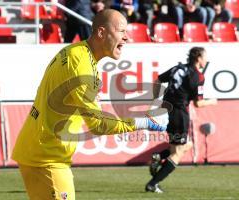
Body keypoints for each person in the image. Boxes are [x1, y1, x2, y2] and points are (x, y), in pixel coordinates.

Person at [12, 9, 168, 200]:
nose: (127, 37)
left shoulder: (76, 52)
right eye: (121, 31)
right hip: (46, 158)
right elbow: (99, 125)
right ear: (101, 33)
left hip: (39, 151)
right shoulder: (81, 66)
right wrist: (144, 121)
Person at [145, 47, 217, 193]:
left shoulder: (177, 68)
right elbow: (198, 103)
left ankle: (158, 157)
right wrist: (213, 101)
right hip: (179, 113)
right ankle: (153, 184)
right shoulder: (198, 76)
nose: (206, 60)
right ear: (198, 58)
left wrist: (155, 99)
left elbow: (158, 80)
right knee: (177, 153)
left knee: (183, 146)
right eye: (204, 57)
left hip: (167, 111)